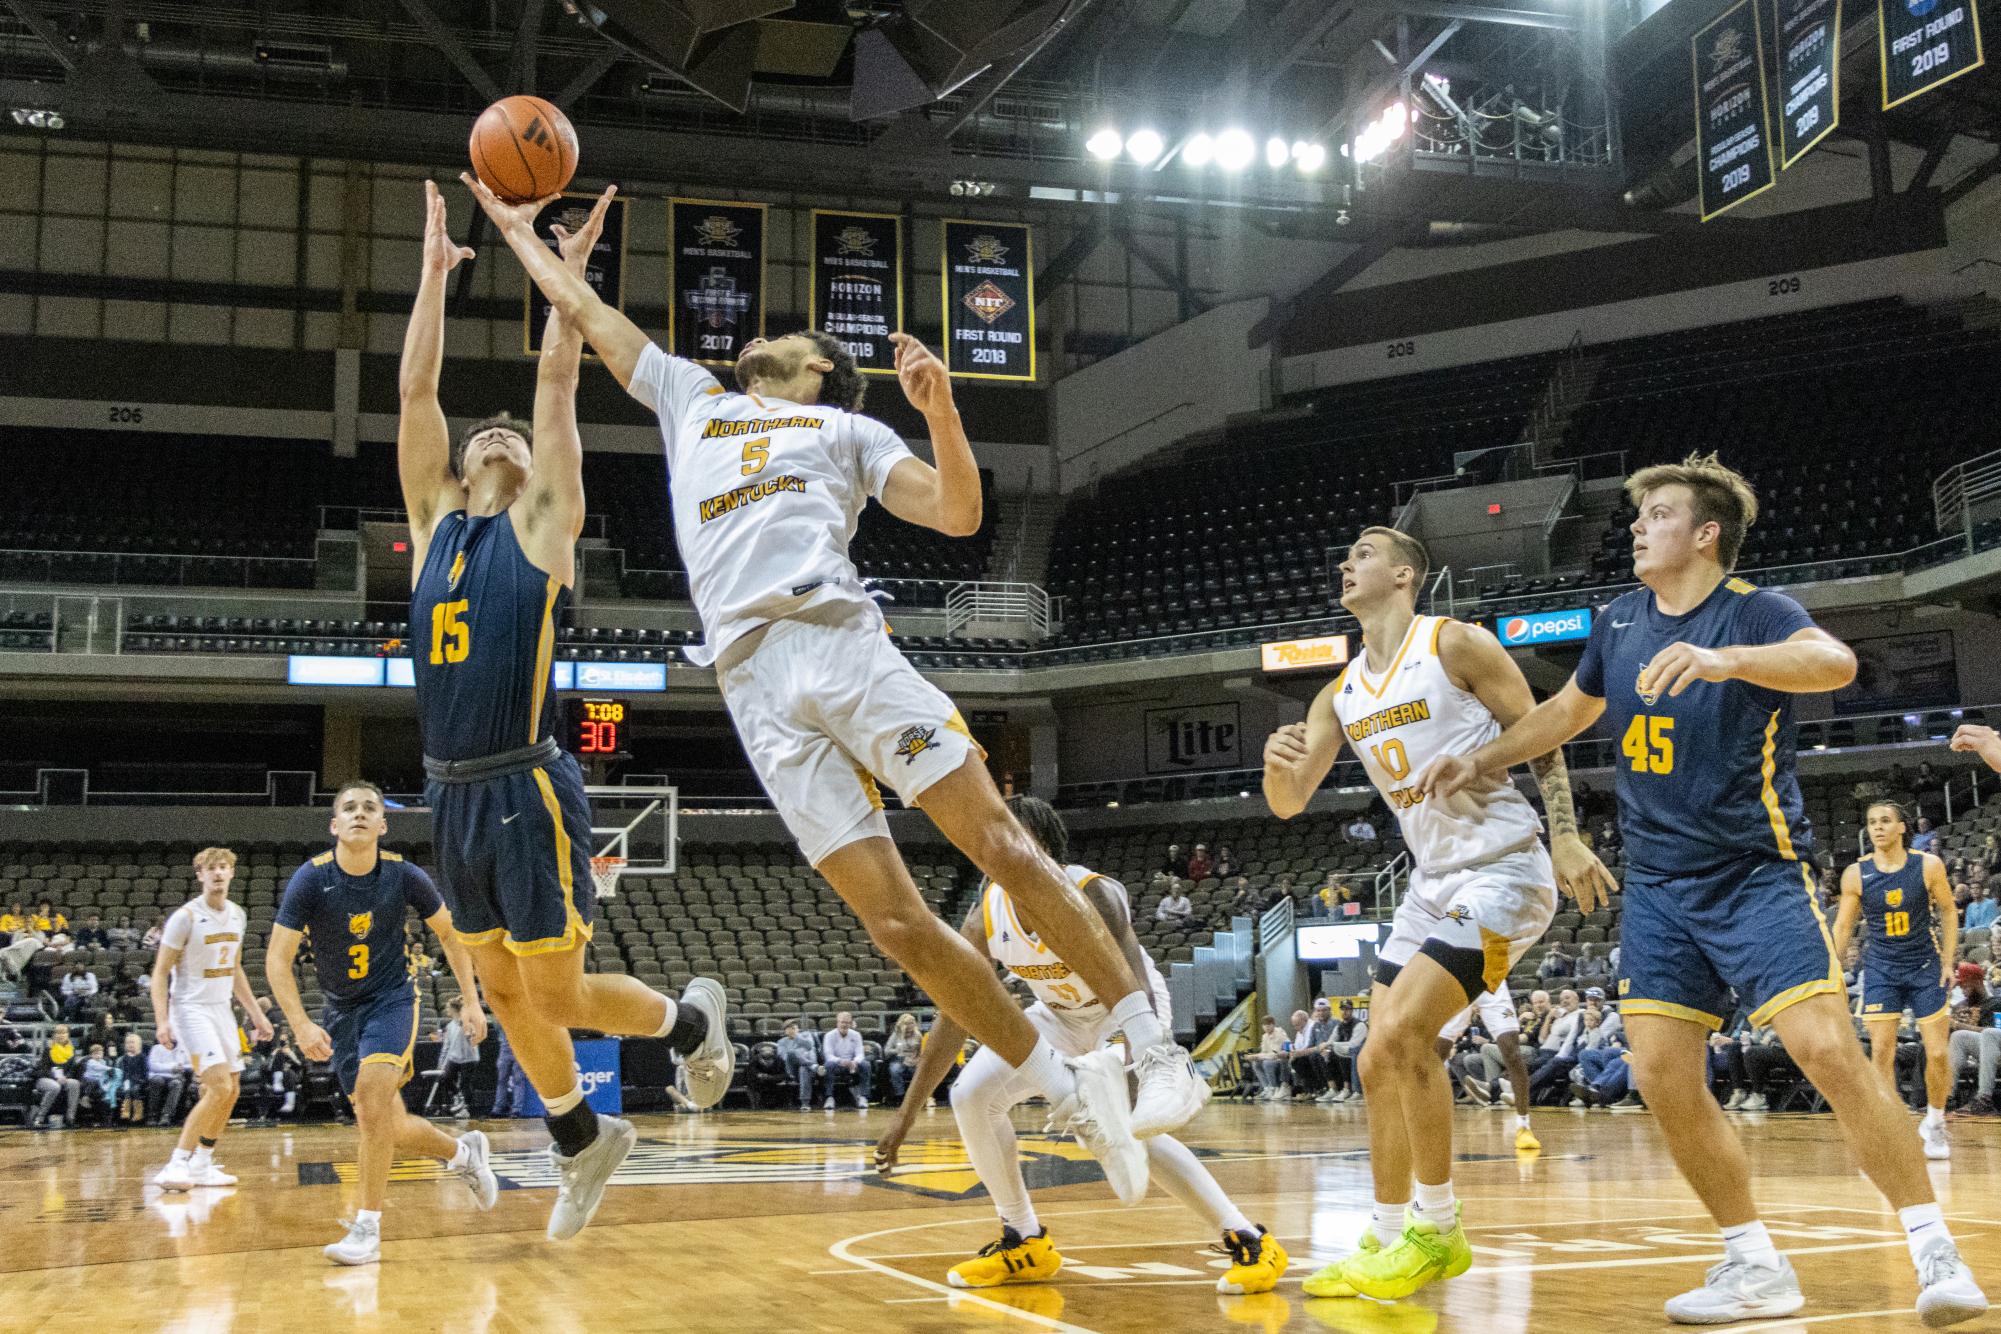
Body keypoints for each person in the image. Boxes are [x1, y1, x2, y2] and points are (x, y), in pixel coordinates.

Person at [463, 171, 1200, 1185]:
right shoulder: (691, 396)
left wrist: (941, 411)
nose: (771, 336)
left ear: (816, 371)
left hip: (839, 640)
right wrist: (519, 232)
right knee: (894, 921)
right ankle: (1071, 1094)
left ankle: (1155, 1050)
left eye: (796, 338)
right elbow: (584, 316)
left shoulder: (847, 431)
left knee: (997, 842)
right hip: (750, 680)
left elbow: (955, 512)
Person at [1421, 452, 1984, 1325]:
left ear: (1705, 532)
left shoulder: (1752, 611)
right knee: (1658, 1075)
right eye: (1639, 515)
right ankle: (1751, 1263)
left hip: (1755, 873)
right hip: (1659, 888)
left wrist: (1727, 662)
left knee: (1828, 1051)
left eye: (1656, 514)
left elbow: (1831, 663)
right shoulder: (1617, 622)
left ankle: (1933, 1250)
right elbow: (1568, 713)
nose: (1638, 526)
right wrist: (1482, 757)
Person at [397, 181, 733, 1241]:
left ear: (536, 470)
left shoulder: (544, 525)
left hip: (523, 780)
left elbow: (554, 377)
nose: (498, 430)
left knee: (558, 990)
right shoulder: (435, 524)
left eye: (514, 434)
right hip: (448, 790)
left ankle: (686, 1022)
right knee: (505, 995)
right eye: (480, 430)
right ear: (460, 467)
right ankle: (582, 1138)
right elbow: (414, 394)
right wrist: (433, 276)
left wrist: (567, 277)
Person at [1263, 525, 1610, 1303]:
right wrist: (1275, 768)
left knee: (1402, 1033)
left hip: (1504, 871)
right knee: (1370, 1059)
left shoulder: (1455, 644)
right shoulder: (1339, 690)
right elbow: (1287, 805)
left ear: (1404, 575)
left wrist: (1564, 834)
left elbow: (1541, 735)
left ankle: (1437, 1226)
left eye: (1361, 552)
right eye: (1344, 554)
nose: (1346, 562)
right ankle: (1387, 1233)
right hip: (1430, 885)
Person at [874, 795, 1286, 1294]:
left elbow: (1131, 982)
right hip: (1058, 1016)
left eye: (997, 834)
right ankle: (1024, 1238)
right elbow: (956, 1014)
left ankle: (1247, 1238)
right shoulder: (985, 913)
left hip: (1127, 1009)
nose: (984, 848)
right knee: (971, 1095)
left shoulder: (1092, 892)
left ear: (1039, 843)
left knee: (1133, 1127)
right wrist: (907, 1113)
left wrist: (1141, 1062)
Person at [264, 779, 501, 1264]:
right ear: (334, 824)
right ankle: (462, 1154)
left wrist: (472, 1001)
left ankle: (367, 1228)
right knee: (385, 1123)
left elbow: (452, 936)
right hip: (340, 1012)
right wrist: (302, 1024)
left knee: (372, 1101)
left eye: (369, 807)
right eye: (349, 807)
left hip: (393, 1000)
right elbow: (276, 960)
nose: (359, 813)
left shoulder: (405, 875)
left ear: (383, 824)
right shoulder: (310, 879)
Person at [1830, 801, 1958, 1161]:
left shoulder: (1928, 865)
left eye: (1885, 821)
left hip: (1924, 966)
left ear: (1902, 827)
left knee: (1936, 1052)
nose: (1878, 828)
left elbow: (1948, 910)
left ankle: (1934, 1121)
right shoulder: (1856, 874)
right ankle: (1888, 1129)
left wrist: (1949, 962)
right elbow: (1843, 926)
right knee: (1882, 1051)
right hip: (1882, 968)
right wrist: (1833, 971)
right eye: (1872, 822)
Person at [150, 847, 274, 1191]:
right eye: (211, 868)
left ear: (232, 873)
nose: (218, 873)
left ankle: (203, 1163)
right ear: (199, 875)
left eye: (224, 867)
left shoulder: (237, 914)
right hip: (190, 1009)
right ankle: (176, 1163)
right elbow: (160, 973)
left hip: (221, 1009)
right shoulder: (185, 917)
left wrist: (255, 1014)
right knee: (218, 1085)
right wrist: (162, 1021)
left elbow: (234, 970)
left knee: (231, 1089)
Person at [1441, 983, 1538, 1150]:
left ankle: (1524, 1127)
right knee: (1438, 1052)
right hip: (1456, 978)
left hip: (1490, 980)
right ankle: (1425, 1126)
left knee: (1512, 1052)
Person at [1947, 963, 2001, 1118]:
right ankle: (1947, 1097)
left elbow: (1996, 1032)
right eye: (1961, 986)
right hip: (1991, 1049)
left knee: (1989, 1033)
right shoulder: (1963, 1005)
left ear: (1978, 982)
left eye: (1966, 986)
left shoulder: (1996, 1002)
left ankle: (1984, 1099)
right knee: (1959, 1036)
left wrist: (1959, 1024)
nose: (1963, 990)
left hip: (1995, 1042)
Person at [432, 996, 482, 1118]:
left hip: (469, 1058)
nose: (447, 1011)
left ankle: (466, 1109)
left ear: (454, 1009)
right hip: (454, 1057)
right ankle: (458, 1097)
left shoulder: (468, 1022)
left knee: (466, 1083)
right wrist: (441, 1061)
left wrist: (466, 1029)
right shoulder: (450, 1026)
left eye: (449, 1008)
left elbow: (474, 1039)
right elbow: (446, 1046)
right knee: (446, 1078)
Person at [31, 1024, 82, 1129]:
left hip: (63, 1078)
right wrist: (55, 1078)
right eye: (58, 1033)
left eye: (64, 1033)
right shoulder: (48, 1049)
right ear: (54, 1035)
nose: (61, 1035)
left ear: (68, 1035)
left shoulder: (71, 1051)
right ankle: (39, 1118)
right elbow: (43, 1069)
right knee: (55, 1086)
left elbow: (72, 1069)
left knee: (74, 1084)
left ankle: (70, 1118)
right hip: (45, 1078)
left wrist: (66, 1077)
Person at [821, 1011, 871, 1110]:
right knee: (827, 1065)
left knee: (866, 1065)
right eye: (842, 1022)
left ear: (851, 1023)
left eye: (847, 1022)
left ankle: (863, 1097)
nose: (844, 1025)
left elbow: (860, 1053)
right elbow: (828, 1055)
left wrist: (855, 1061)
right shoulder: (829, 1035)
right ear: (837, 1023)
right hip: (837, 1063)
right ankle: (829, 1097)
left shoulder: (856, 1035)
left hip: (852, 1064)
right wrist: (841, 1061)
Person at [776, 1020, 822, 1110]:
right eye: (789, 1028)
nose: (792, 1030)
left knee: (803, 1069)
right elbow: (784, 1057)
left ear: (798, 1029)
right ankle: (813, 1066)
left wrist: (796, 1037)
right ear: (785, 1031)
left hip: (808, 1071)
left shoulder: (806, 1035)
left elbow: (809, 1046)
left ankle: (805, 1103)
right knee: (791, 1053)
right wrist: (797, 1055)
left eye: (794, 1028)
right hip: (793, 1070)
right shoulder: (781, 1042)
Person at [1245, 1015, 1290, 1099]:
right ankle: (1267, 1088)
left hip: (1281, 1059)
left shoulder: (1280, 1034)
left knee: (1267, 1063)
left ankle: (1274, 1087)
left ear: (1273, 1024)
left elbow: (1274, 1054)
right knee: (1256, 1063)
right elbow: (1264, 1052)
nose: (1266, 1027)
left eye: (1268, 1025)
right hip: (1270, 1058)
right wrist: (1256, 1057)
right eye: (1264, 1026)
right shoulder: (1265, 1036)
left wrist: (1257, 1056)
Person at [884, 1013, 923, 1102]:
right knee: (895, 1070)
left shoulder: (918, 1035)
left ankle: (916, 1096)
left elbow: (922, 1051)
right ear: (901, 1024)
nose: (910, 1025)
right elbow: (886, 1051)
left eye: (912, 1023)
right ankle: (900, 1095)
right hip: (899, 1059)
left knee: (919, 1072)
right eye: (907, 1023)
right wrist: (897, 1050)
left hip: (914, 1059)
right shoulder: (896, 1035)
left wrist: (917, 1059)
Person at [117, 1031, 149, 1125]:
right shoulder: (123, 1059)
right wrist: (126, 1081)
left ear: (139, 1045)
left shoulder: (142, 1057)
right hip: (127, 1081)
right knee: (127, 1090)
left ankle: (138, 1113)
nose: (130, 1044)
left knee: (135, 1089)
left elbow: (144, 1072)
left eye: (133, 1042)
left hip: (140, 1081)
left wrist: (138, 1080)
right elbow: (123, 1072)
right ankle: (125, 1112)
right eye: (128, 1042)